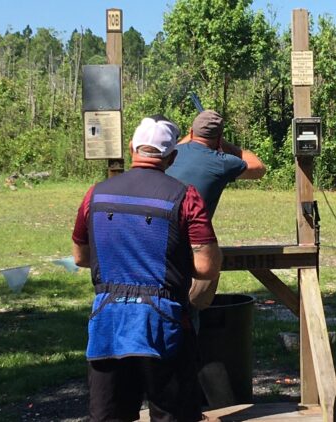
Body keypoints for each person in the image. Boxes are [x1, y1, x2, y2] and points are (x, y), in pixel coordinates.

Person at [72, 115, 222, 422]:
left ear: (132, 148)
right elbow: (206, 267)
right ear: (172, 157)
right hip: (163, 322)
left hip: (109, 323)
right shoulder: (186, 197)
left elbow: (80, 256)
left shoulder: (95, 194)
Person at [165, 110, 266, 310]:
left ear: (190, 132)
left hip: (157, 239)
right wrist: (226, 145)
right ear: (219, 137)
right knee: (191, 306)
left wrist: (195, 135)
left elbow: (186, 142)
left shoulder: (171, 154)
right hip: (193, 246)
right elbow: (259, 167)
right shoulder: (221, 161)